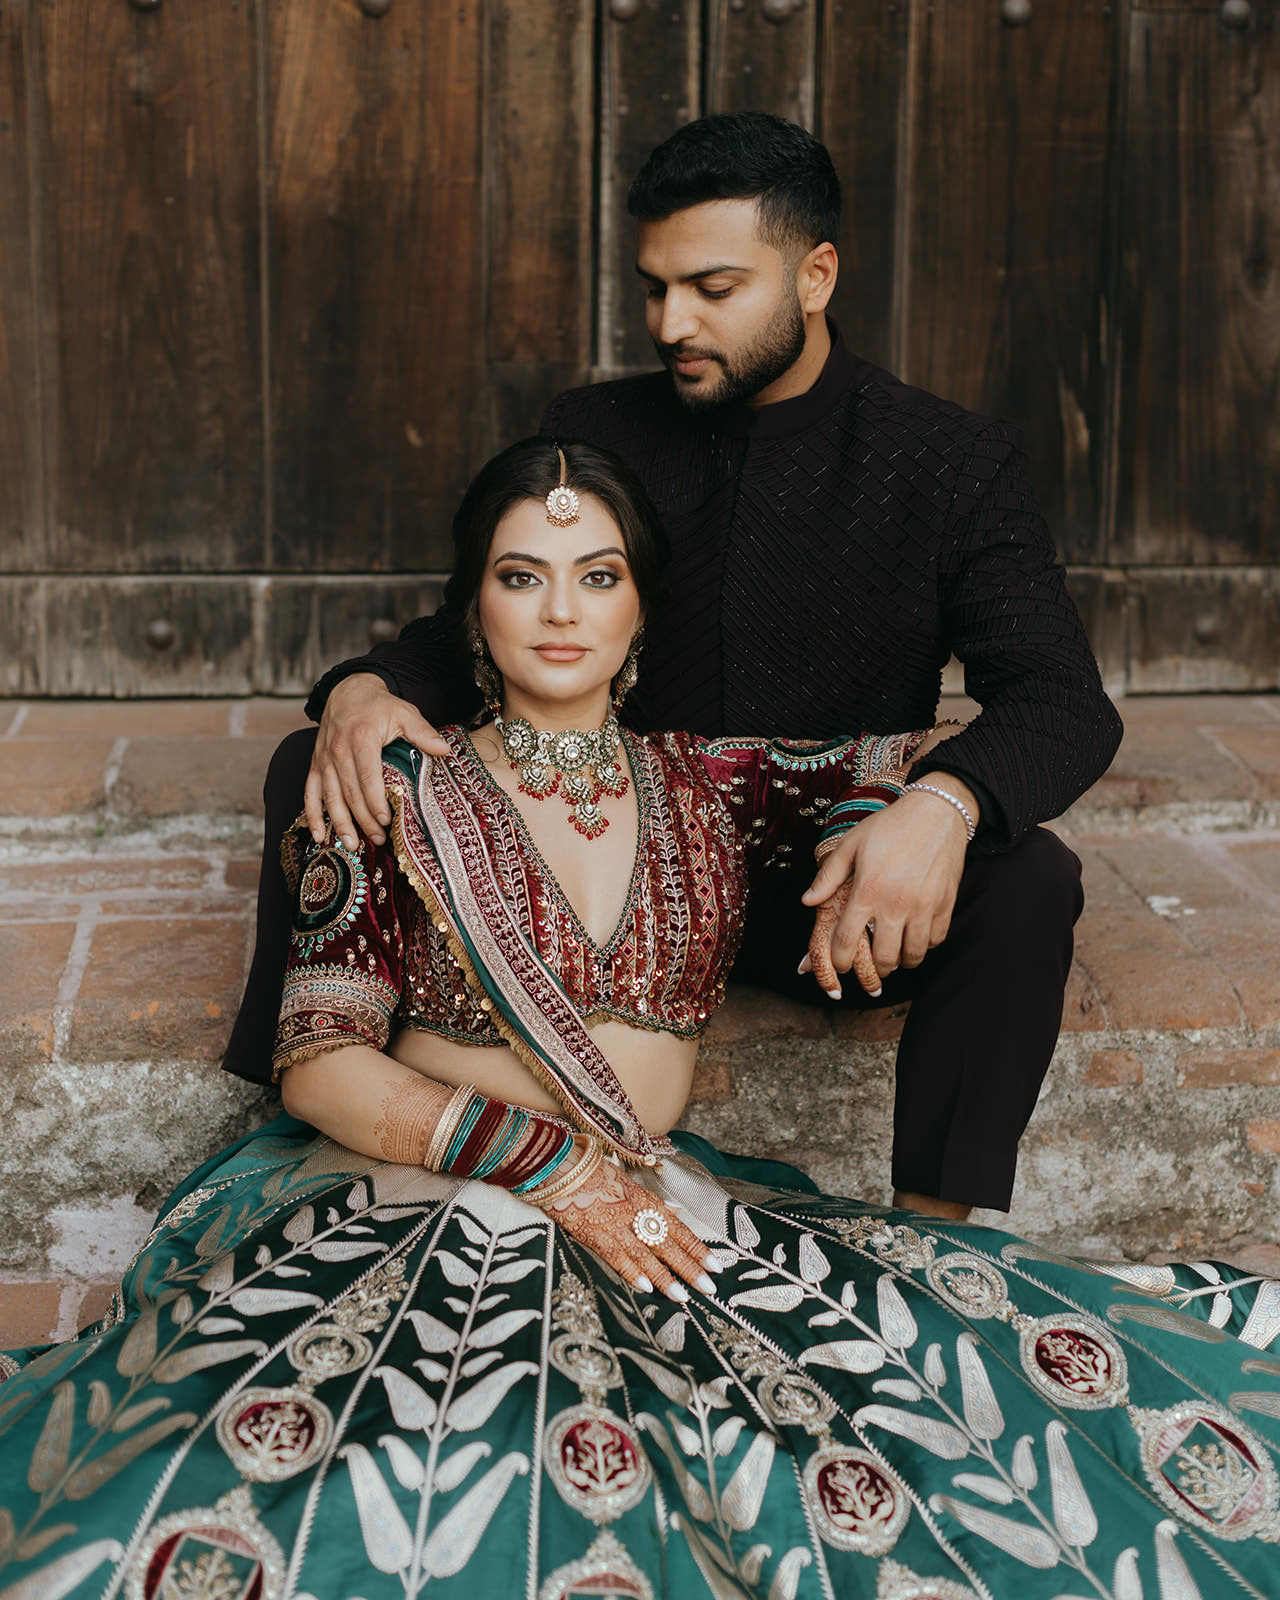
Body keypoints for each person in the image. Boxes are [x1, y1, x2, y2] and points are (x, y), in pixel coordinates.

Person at [2, 439, 1275, 1600]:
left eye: (596, 576)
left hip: (658, 1202)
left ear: (640, 610)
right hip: (419, 1191)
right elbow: (321, 1066)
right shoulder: (395, 788)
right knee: (368, 1475)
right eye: (521, 575)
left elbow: (923, 787)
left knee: (917, 1460)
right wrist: (548, 1165)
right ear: (470, 610)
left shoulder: (707, 791)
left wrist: (929, 817)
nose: (560, 611)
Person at [222, 113, 1122, 1223]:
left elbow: (1060, 699)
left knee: (1027, 877)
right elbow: (491, 616)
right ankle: (308, 1083)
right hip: (604, 868)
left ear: (815, 276)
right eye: (653, 289)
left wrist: (941, 804)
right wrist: (362, 689)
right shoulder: (602, 426)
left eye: (710, 287)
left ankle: (936, 1233)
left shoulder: (945, 461)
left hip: (823, 895)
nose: (671, 323)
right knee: (319, 762)